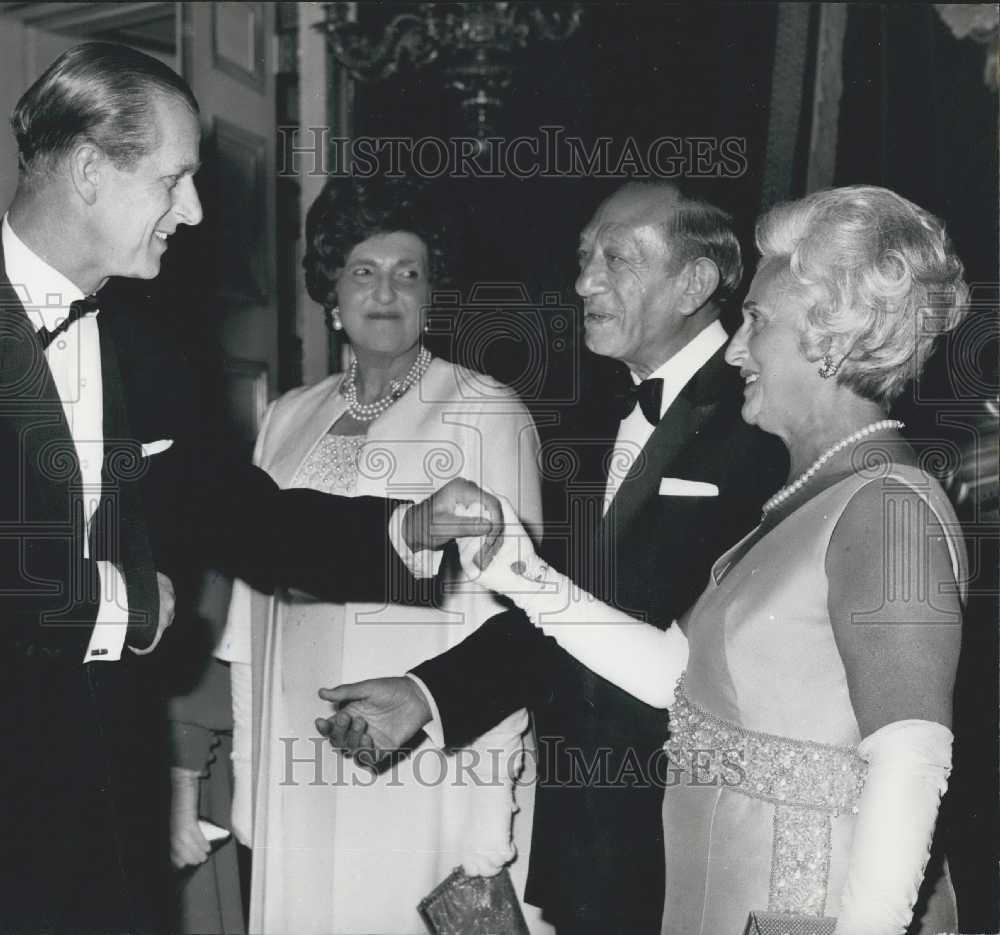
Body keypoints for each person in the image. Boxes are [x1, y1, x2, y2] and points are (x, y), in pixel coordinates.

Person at [0, 42, 501, 934]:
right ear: (86, 171)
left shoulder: (149, 350)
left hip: (107, 796)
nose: (191, 211)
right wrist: (122, 608)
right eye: (173, 179)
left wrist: (406, 533)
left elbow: (244, 517)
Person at [431, 185, 971, 933]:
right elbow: (676, 679)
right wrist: (513, 566)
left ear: (833, 337)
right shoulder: (808, 497)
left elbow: (911, 765)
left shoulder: (887, 505)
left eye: (757, 320)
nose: (737, 348)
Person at [317, 181, 788, 934]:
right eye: (582, 257)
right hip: (588, 843)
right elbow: (563, 611)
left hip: (692, 843)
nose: (583, 281)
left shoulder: (763, 416)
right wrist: (425, 694)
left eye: (616, 259)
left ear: (696, 282)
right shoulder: (591, 418)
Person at [220, 175, 549, 935]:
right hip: (295, 767)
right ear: (330, 290)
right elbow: (249, 617)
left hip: (424, 768)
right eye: (364, 271)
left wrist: (487, 824)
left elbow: (513, 623)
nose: (387, 291)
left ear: (434, 294)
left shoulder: (485, 410)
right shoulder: (287, 417)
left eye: (410, 273)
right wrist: (248, 778)